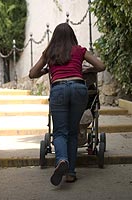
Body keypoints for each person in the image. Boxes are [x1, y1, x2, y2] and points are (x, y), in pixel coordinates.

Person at [29, 23, 105, 186]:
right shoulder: (80, 50)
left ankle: (62, 160)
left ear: (54, 37)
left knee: (60, 133)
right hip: (79, 88)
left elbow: (32, 73)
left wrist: (46, 70)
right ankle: (70, 173)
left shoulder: (50, 52)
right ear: (72, 36)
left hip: (59, 90)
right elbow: (101, 66)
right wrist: (84, 70)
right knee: (72, 131)